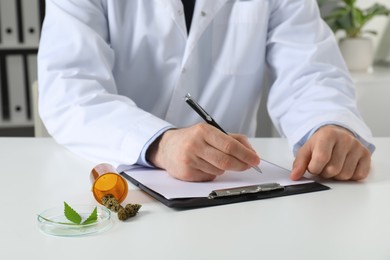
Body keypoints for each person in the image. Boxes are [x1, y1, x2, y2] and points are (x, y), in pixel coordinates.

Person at [38, 0, 375, 182]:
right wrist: (159, 142)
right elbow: (68, 88)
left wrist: (328, 124)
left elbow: (308, 68)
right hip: (115, 182)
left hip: (231, 189)